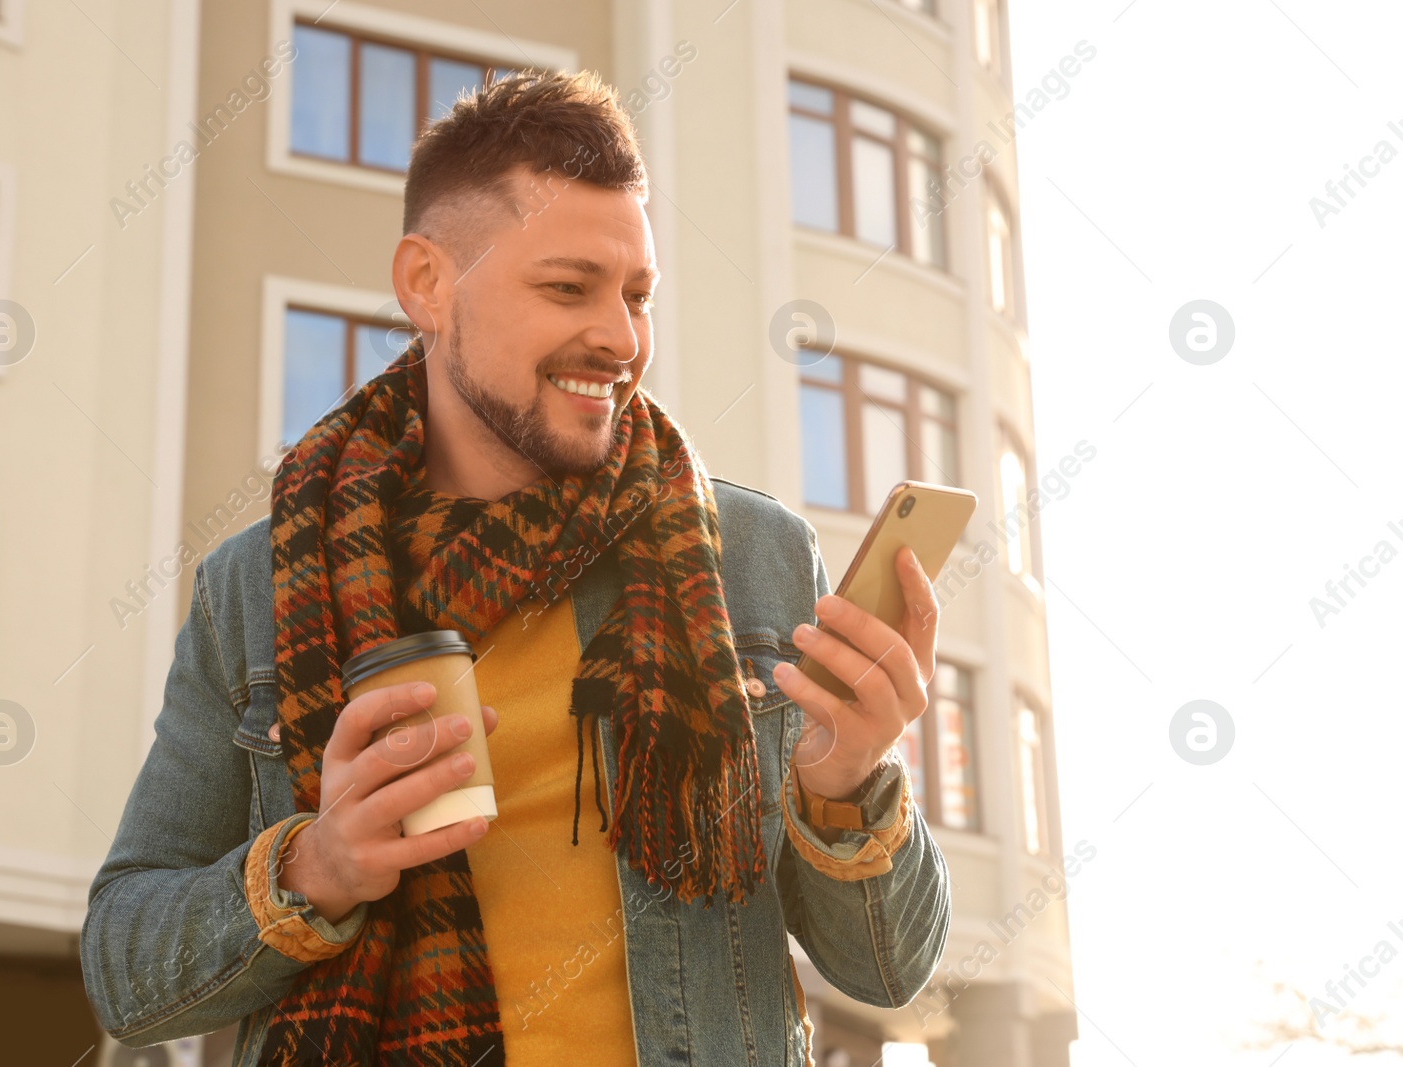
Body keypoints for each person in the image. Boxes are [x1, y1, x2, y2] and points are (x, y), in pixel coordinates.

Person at [81, 68, 950, 1066]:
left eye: (636, 295)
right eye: (566, 287)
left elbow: (889, 969)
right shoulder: (257, 587)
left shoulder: (749, 559)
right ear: (426, 284)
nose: (621, 339)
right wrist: (316, 864)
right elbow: (122, 967)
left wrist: (846, 781)